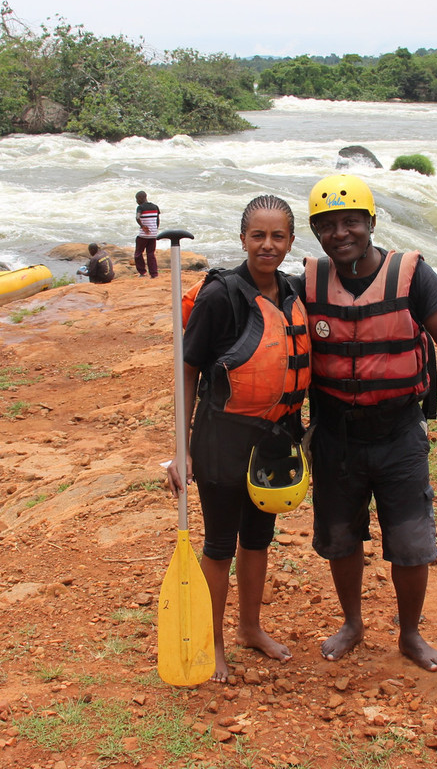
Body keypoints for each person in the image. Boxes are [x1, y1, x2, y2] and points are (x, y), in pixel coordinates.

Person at [294, 173, 437, 672]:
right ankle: (353, 624)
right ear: (317, 233)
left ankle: (409, 634)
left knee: (408, 540)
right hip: (336, 434)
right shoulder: (310, 281)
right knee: (341, 536)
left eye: (352, 223)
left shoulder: (413, 274)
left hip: (399, 432)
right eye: (328, 226)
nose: (341, 234)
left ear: (372, 223)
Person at [166, 194, 312, 682]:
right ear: (243, 238)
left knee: (258, 539)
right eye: (258, 235)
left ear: (291, 241)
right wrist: (180, 451)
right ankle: (214, 644)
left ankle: (251, 627)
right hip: (221, 442)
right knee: (221, 545)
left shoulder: (294, 291)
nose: (268, 245)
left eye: (278, 236)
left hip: (274, 440)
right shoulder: (220, 296)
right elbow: (187, 370)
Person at [134, 190, 160, 278]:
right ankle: (154, 274)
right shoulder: (155, 207)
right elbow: (157, 220)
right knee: (150, 254)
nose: (136, 201)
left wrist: (142, 226)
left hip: (143, 235)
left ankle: (142, 272)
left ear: (141, 198)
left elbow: (137, 217)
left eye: (137, 199)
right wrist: (155, 230)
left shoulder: (140, 207)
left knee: (138, 253)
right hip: (153, 234)